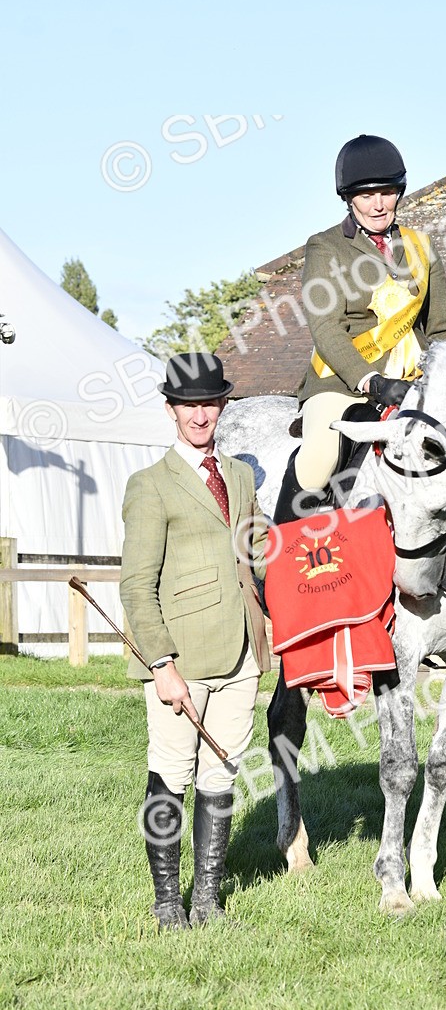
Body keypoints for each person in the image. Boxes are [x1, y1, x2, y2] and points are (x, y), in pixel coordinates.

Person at [120, 353, 270, 931]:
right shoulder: (150, 486)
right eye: (189, 406)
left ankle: (206, 897)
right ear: (171, 411)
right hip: (179, 658)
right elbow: (135, 585)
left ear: (222, 406)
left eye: (209, 403)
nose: (200, 415)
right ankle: (166, 902)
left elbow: (255, 553)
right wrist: (160, 663)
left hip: (241, 654)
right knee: (171, 774)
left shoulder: (240, 475)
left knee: (221, 773)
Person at [273, 133, 446, 522]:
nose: (378, 204)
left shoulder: (420, 247)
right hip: (343, 384)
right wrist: (369, 381)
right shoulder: (325, 247)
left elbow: (443, 327)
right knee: (319, 457)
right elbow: (325, 328)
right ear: (349, 198)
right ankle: (279, 560)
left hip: (413, 384)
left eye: (387, 192)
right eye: (366, 196)